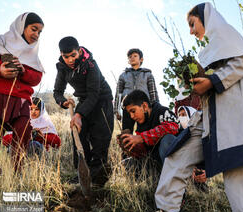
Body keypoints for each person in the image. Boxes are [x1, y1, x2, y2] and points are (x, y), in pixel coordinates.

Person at [144, 3, 243, 212]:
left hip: (233, 119)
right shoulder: (211, 47)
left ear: (207, 19)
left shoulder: (226, 35)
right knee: (177, 154)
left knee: (238, 171)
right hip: (207, 119)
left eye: (193, 24)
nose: (191, 31)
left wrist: (213, 81)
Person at [0, 12, 44, 174]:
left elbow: (37, 78)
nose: (36, 34)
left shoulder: (33, 53)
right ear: (22, 26)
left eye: (40, 32)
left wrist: (23, 71)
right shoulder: (2, 42)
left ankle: (17, 174)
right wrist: (0, 70)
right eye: (33, 29)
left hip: (21, 100)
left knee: (23, 132)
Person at [53, 36, 114, 187]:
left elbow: (94, 93)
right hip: (84, 101)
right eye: (66, 57)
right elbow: (57, 91)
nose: (70, 60)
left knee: (100, 137)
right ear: (61, 55)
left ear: (79, 51)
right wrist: (63, 102)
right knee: (79, 135)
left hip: (101, 100)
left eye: (73, 55)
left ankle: (97, 176)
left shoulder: (91, 65)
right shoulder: (62, 67)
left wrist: (79, 114)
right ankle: (83, 174)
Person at [118, 90, 178, 174]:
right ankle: (154, 183)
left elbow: (172, 128)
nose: (131, 116)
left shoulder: (162, 111)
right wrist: (131, 148)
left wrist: (141, 137)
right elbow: (144, 153)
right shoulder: (140, 125)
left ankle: (175, 180)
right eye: (129, 113)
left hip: (176, 162)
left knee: (167, 140)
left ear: (144, 106)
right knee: (129, 162)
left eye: (133, 111)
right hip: (157, 164)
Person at [114, 48, 159, 133]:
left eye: (135, 56)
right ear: (128, 60)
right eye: (130, 57)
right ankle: (127, 145)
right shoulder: (123, 75)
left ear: (141, 59)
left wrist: (155, 107)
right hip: (127, 107)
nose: (132, 58)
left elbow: (153, 92)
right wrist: (116, 110)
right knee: (126, 131)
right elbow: (118, 93)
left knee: (144, 131)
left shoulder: (148, 74)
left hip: (143, 107)